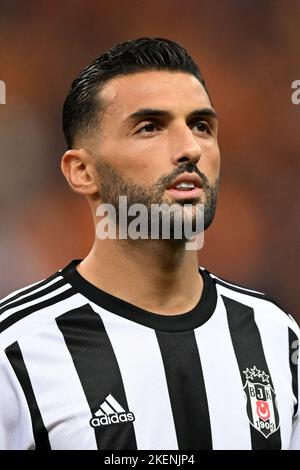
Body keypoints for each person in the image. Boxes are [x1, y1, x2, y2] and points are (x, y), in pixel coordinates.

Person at [0, 37, 299, 451]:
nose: (190, 148)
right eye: (150, 127)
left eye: (201, 126)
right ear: (82, 171)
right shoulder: (15, 350)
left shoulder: (274, 335)